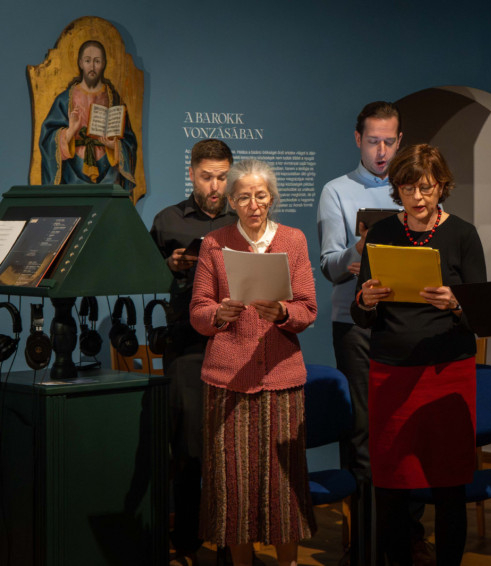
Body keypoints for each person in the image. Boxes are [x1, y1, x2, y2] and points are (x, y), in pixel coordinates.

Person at [353, 144, 486, 566]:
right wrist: (367, 299)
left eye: (426, 188)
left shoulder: (463, 234)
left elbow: (482, 314)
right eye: (408, 188)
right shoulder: (380, 234)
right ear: (397, 190)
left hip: (447, 369)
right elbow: (360, 314)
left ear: (442, 186)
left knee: (449, 483)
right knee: (391, 482)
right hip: (391, 370)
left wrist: (456, 303)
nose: (418, 197)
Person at [190, 159, 317, 566]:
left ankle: (288, 562)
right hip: (228, 379)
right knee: (233, 484)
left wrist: (282, 312)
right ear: (231, 201)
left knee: (283, 482)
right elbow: (198, 310)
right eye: (244, 197)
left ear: (272, 198)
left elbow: (308, 308)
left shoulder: (293, 240)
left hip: (281, 376)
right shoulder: (215, 243)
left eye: (261, 196)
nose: (254, 204)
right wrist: (218, 314)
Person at [317, 100, 404, 564]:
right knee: (363, 432)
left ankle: (406, 535)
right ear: (358, 139)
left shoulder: (414, 189)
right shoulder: (337, 191)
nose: (381, 151)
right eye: (373, 141)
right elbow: (331, 267)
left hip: (405, 323)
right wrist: (361, 246)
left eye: (389, 141)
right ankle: (364, 541)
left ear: (400, 141)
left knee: (403, 429)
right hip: (355, 325)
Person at [149, 138, 236, 562]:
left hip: (235, 342)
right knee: (187, 448)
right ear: (192, 174)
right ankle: (185, 539)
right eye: (206, 177)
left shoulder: (242, 220)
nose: (215, 186)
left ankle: (230, 542)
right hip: (186, 344)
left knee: (230, 448)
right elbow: (143, 277)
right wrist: (170, 266)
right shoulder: (167, 221)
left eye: (222, 177)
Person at [39, 39, 138, 192]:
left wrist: (115, 146)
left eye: (97, 61)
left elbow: (130, 142)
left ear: (104, 64)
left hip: (108, 173)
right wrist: (70, 131)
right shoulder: (64, 100)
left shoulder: (115, 100)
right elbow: (47, 140)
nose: (92, 67)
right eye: (87, 61)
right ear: (80, 63)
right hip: (72, 174)